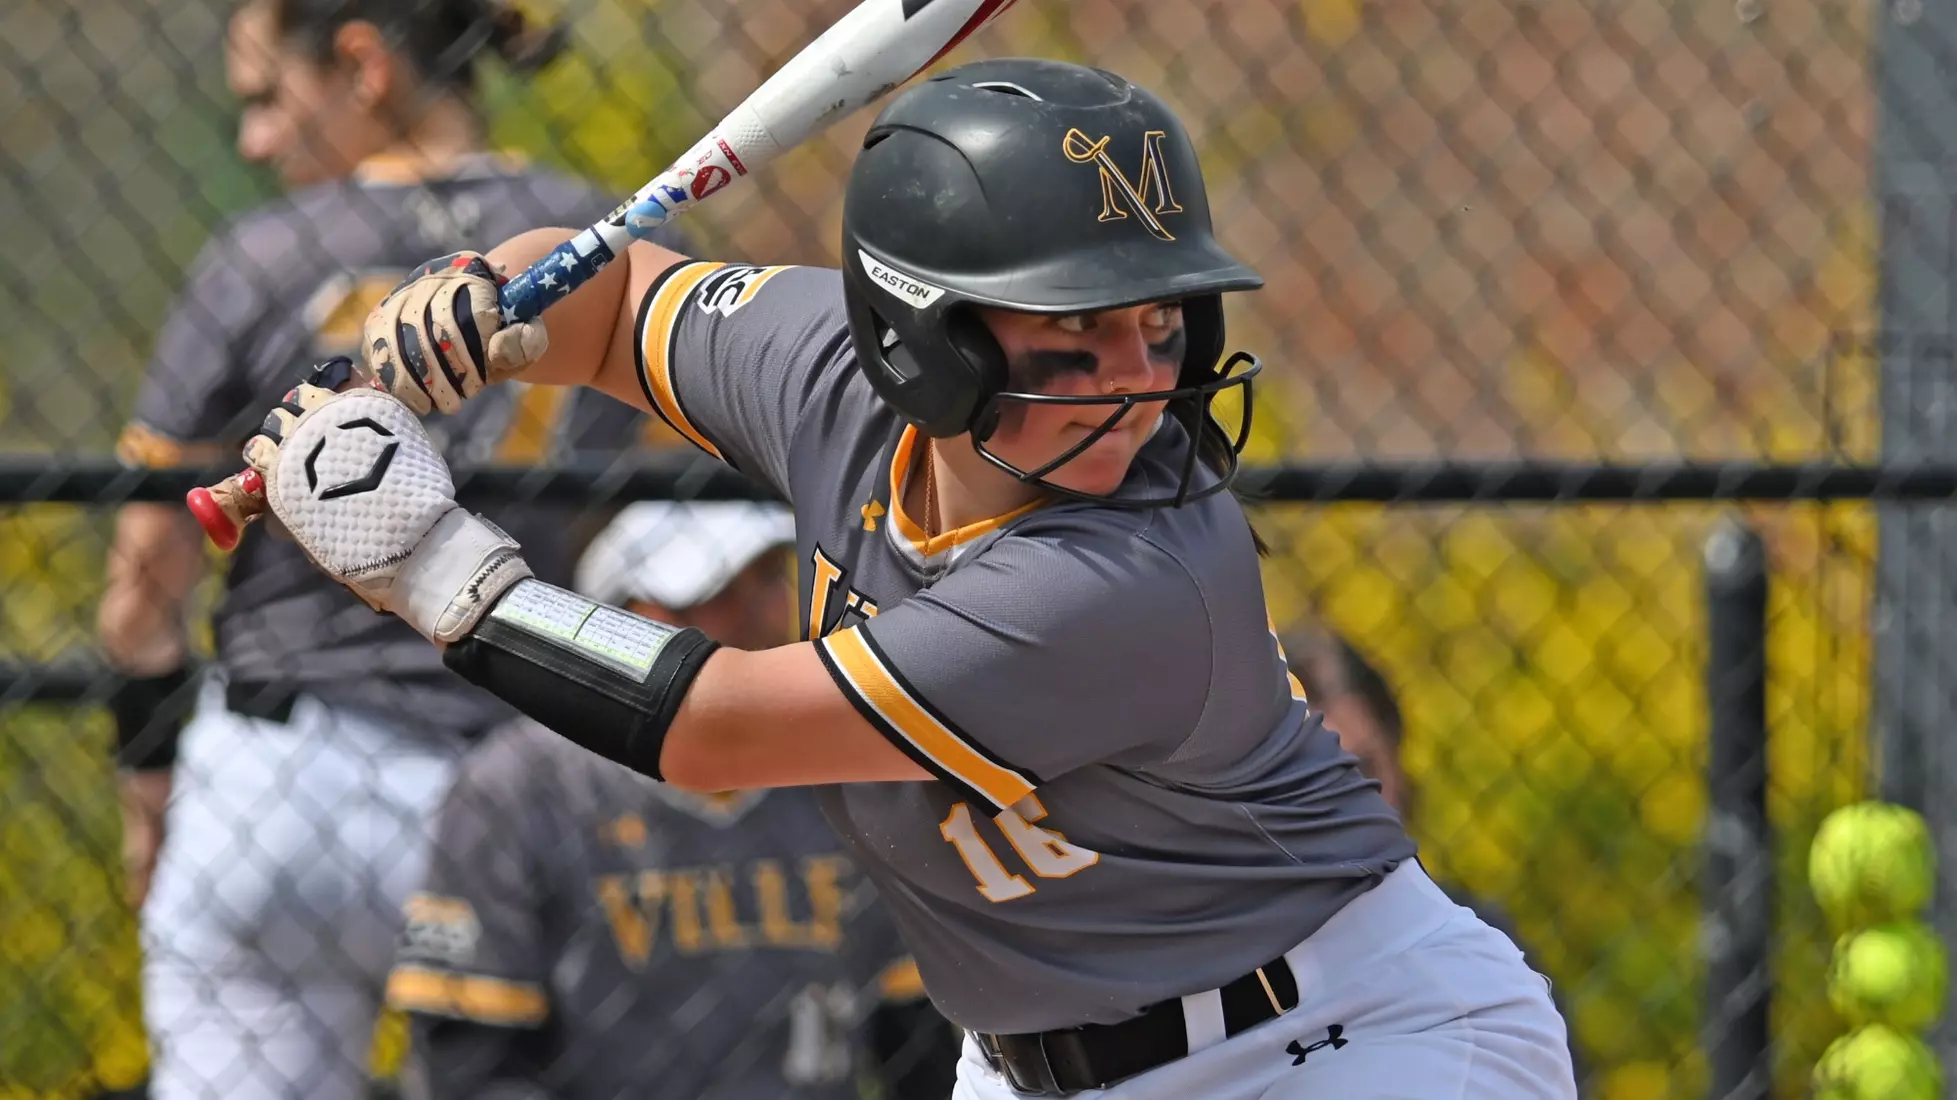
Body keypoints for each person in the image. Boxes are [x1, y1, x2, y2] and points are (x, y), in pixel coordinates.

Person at [223, 58, 1579, 1099]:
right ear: (919, 344)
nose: (1136, 381)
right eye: (1076, 333)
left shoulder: (1126, 578)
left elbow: (714, 728)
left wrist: (439, 570)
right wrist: (479, 297)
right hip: (1030, 1056)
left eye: (1160, 324)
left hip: (1339, 1041)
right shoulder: (824, 365)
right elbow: (614, 297)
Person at [96, 2, 682, 1097]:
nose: (256, 142)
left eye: (269, 98)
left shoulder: (263, 255)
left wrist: (152, 803)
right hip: (514, 783)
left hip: (279, 787)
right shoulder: (603, 247)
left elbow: (140, 598)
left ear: (362, 64)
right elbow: (657, 554)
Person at [384, 499, 960, 1100]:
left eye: (767, 578)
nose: (755, 612)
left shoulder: (850, 774)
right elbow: (468, 1053)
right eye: (707, 595)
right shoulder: (523, 784)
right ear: (613, 622)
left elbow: (913, 1035)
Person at [1278, 624, 1588, 1093]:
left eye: (1363, 770)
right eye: (1310, 778)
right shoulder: (1205, 974)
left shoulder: (1484, 955)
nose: (1343, 805)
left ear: (1401, 774)